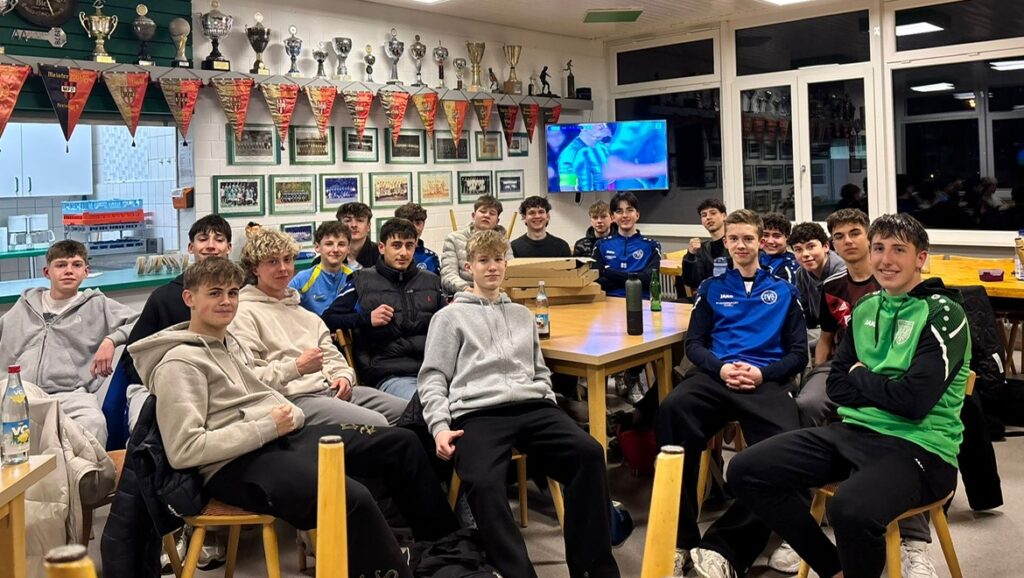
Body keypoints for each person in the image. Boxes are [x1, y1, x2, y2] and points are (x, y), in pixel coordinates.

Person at [128, 257, 458, 578]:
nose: (227, 301)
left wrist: (284, 419)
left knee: (401, 442)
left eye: (232, 293)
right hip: (230, 466)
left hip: (278, 439)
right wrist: (267, 426)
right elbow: (184, 450)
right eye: (215, 293)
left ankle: (449, 551)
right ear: (189, 298)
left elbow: (263, 393)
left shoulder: (229, 343)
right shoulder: (179, 364)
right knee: (349, 497)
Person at [728, 213, 971, 578]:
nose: (885, 260)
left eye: (898, 250)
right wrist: (877, 385)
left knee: (849, 508)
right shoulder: (866, 307)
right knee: (745, 470)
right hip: (854, 433)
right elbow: (837, 387)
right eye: (879, 248)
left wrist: (861, 375)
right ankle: (834, 568)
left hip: (922, 447)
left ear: (920, 258)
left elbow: (914, 403)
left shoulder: (944, 313)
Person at [419, 229, 621, 578]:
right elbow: (433, 377)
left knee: (588, 454)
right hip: (477, 413)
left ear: (506, 265)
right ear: (469, 267)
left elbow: (540, 370)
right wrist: (439, 426)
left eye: (498, 260)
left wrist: (547, 400)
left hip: (533, 407)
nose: (492, 267)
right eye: (484, 261)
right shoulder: (449, 317)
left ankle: (594, 571)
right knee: (483, 482)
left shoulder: (522, 315)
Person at [654, 209, 807, 578]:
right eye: (734, 239)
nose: (741, 245)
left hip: (764, 380)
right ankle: (680, 540)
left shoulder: (785, 291)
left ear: (760, 242)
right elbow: (694, 344)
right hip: (716, 376)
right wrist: (721, 368)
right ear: (725, 242)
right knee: (672, 410)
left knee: (790, 451)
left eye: (748, 238)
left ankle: (724, 548)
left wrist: (763, 373)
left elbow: (799, 354)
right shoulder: (711, 288)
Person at [230, 229, 406, 426]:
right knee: (376, 422)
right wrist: (296, 368)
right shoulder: (243, 313)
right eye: (272, 261)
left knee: (409, 411)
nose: (283, 268)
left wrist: (343, 377)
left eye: (287, 260)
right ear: (255, 268)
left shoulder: (306, 315)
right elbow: (249, 379)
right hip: (290, 399)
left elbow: (332, 357)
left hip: (330, 390)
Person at [0, 240, 138, 446]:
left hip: (72, 395)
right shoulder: (26, 305)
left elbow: (141, 322)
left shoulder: (97, 305)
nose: (69, 271)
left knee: (94, 424)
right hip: (22, 391)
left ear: (86, 272)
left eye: (76, 265)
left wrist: (111, 340)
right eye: (61, 265)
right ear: (47, 272)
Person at [322, 218, 443, 400]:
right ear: (381, 247)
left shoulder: (431, 281)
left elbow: (446, 326)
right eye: (396, 245)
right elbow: (327, 319)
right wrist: (367, 318)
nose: (403, 253)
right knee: (428, 402)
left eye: (409, 246)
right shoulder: (361, 280)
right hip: (389, 373)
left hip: (434, 369)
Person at [798, 209, 877, 428]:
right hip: (840, 363)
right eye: (839, 236)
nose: (848, 241)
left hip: (882, 365)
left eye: (855, 233)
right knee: (807, 403)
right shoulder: (831, 286)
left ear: (869, 237)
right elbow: (825, 338)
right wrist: (817, 372)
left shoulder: (888, 281)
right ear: (833, 244)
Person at [593, 191, 662, 297]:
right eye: (619, 211)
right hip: (609, 301)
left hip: (641, 302)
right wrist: (636, 277)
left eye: (630, 210)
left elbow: (648, 280)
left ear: (637, 215)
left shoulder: (652, 246)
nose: (625, 215)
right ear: (612, 217)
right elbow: (597, 281)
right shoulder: (601, 245)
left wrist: (608, 272)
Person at [440, 195, 510, 294]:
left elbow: (510, 274)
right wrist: (467, 290)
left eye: (492, 213)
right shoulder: (454, 239)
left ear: (497, 221)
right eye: (483, 211)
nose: (487, 215)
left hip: (496, 294)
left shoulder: (503, 241)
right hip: (465, 294)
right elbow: (448, 275)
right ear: (473, 215)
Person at [289, 221, 354, 316]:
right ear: (317, 247)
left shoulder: (355, 277)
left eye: (341, 244)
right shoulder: (303, 279)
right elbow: (285, 309)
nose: (335, 249)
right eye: (329, 244)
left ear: (348, 248)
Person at [790, 222, 846, 331]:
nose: (805, 254)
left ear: (825, 247)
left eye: (811, 247)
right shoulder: (801, 273)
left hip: (840, 330)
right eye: (798, 249)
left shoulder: (840, 272)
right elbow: (805, 309)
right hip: (820, 329)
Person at [682, 198, 730, 294]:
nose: (708, 217)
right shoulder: (702, 249)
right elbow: (691, 282)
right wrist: (690, 255)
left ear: (724, 216)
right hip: (707, 295)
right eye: (704, 215)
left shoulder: (734, 245)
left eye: (713, 213)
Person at [394, 202, 440, 274]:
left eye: (418, 223)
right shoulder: (389, 255)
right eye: (409, 223)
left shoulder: (430, 257)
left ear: (423, 225)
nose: (414, 228)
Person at [758, 212, 799, 284]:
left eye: (776, 236)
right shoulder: (756, 257)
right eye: (765, 235)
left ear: (787, 237)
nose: (770, 241)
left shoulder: (790, 266)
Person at [337, 202, 379, 269]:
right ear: (339, 225)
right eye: (348, 220)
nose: (354, 225)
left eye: (360, 220)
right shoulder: (329, 255)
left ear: (368, 226)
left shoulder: (381, 255)